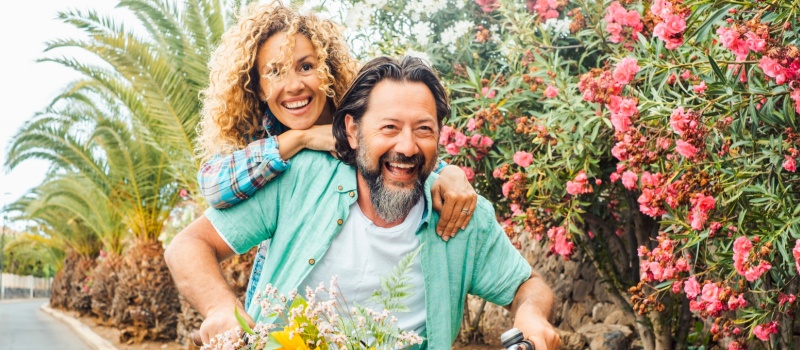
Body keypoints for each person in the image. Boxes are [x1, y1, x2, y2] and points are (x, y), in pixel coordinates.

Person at [166, 56, 560, 349]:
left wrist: (530, 313)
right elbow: (189, 245)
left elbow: (528, 286)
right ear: (353, 131)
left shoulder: (460, 214)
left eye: (423, 129)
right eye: (389, 127)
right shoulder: (301, 179)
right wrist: (221, 309)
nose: (407, 146)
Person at [195, 2, 477, 307]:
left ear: (326, 69)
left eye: (306, 66)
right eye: (274, 72)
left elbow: (406, 153)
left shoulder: (365, 114)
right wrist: (298, 139)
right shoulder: (262, 137)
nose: (293, 85)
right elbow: (213, 185)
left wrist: (447, 172)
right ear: (260, 88)